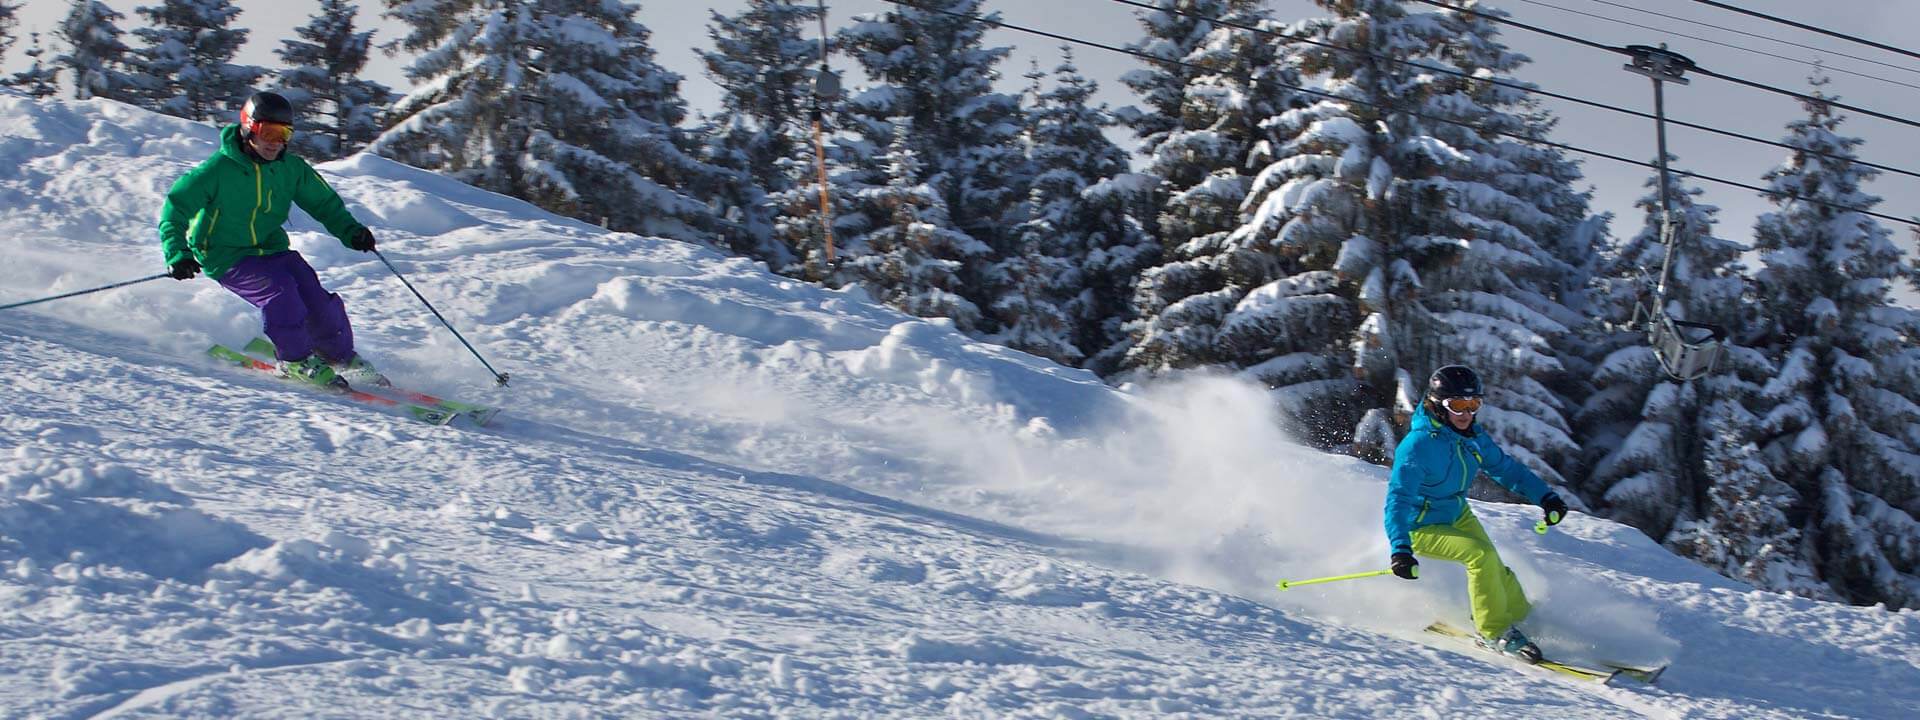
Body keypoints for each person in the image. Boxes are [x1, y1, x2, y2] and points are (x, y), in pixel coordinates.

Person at [158, 91, 384, 388]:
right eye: (269, 132)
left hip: (272, 250)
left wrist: (350, 231)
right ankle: (295, 360)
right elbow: (174, 210)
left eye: (284, 133)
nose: (275, 142)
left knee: (317, 299)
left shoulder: (290, 169)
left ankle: (337, 355)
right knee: (281, 294)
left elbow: (325, 204)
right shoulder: (216, 172)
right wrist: (178, 254)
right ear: (249, 127)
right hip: (225, 255)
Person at [1384, 364, 1570, 663]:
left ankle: (1519, 617)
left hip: (1456, 513)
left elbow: (1506, 469)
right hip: (1419, 525)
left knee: (1494, 565)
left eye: (1473, 405)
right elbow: (1398, 498)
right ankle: (1493, 632)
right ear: (1437, 405)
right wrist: (1401, 549)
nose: (1466, 413)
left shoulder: (1472, 438)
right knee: (1479, 556)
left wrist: (1545, 497)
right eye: (1457, 405)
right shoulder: (1417, 446)